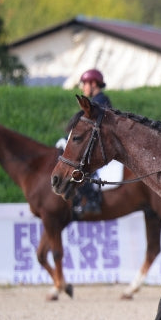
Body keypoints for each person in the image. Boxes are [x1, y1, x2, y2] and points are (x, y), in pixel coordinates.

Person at [69, 68, 113, 217]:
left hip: (100, 145)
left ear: (94, 83)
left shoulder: (98, 102)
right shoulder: (98, 100)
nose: (83, 87)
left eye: (85, 84)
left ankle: (92, 200)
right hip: (97, 142)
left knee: (80, 167)